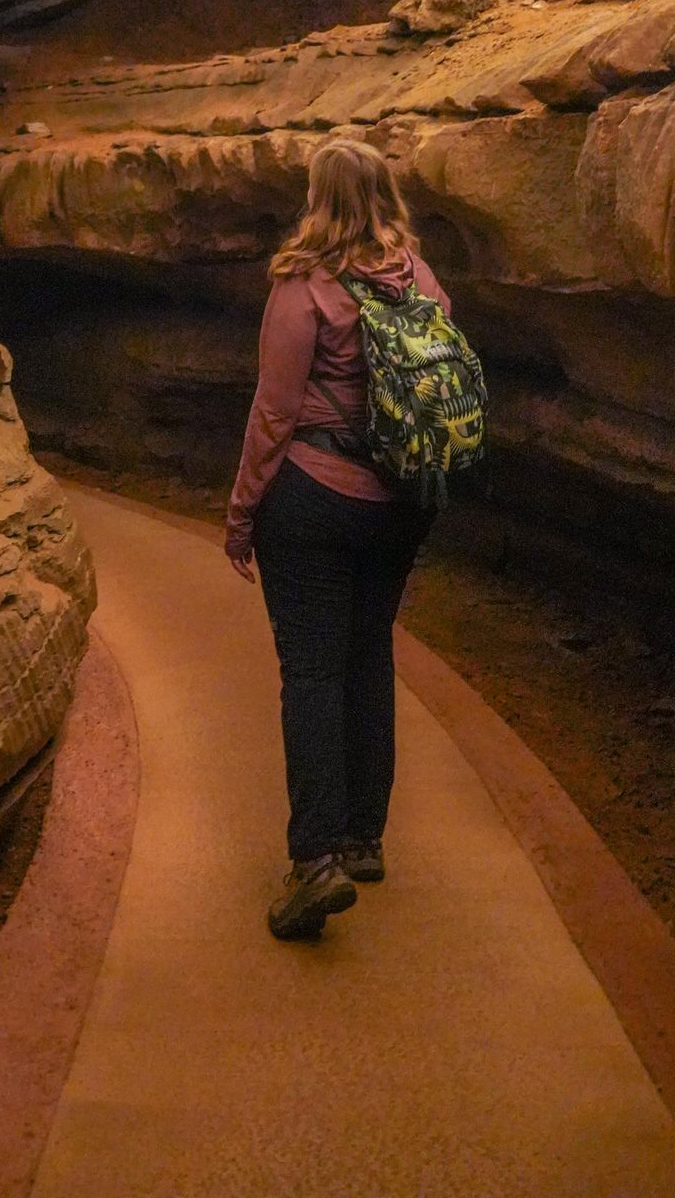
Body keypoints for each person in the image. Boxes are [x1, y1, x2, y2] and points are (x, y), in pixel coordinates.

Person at [225, 138, 451, 940]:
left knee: (313, 671)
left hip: (317, 499)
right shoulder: (420, 280)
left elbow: (275, 412)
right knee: (368, 654)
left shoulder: (306, 285)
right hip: (400, 502)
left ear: (319, 196)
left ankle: (314, 859)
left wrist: (244, 511)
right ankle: (363, 839)